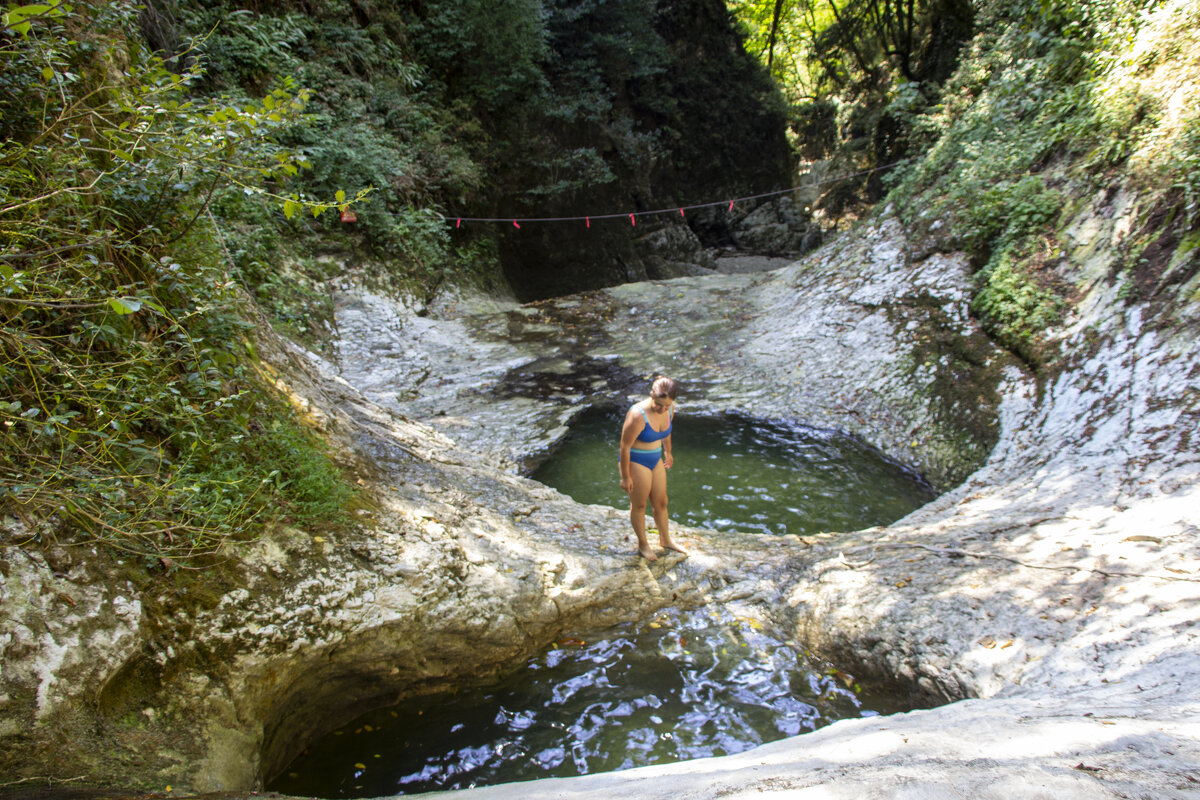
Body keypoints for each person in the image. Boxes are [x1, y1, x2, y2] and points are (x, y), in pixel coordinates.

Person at [619, 376, 687, 561]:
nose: (663, 409)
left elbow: (666, 432)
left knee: (661, 502)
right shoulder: (637, 415)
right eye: (659, 405)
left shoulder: (670, 408)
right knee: (640, 505)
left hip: (655, 457)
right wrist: (625, 476)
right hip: (636, 460)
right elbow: (624, 446)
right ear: (651, 395)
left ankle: (665, 539)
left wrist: (668, 452)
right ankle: (643, 544)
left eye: (667, 405)